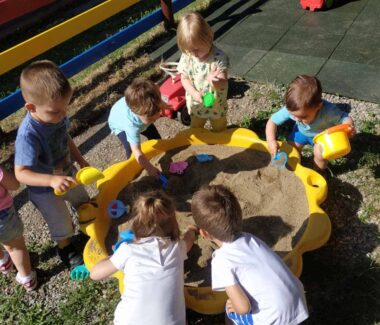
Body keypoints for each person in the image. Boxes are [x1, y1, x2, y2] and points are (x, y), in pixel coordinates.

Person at [191, 185, 309, 325]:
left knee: (230, 312)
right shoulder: (250, 239)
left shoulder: (221, 261)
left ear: (203, 233)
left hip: (275, 317)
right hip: (298, 299)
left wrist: (235, 307)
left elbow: (243, 307)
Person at [15, 60, 90, 269]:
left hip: (67, 172)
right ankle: (66, 248)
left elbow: (64, 137)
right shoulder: (28, 135)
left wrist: (80, 160)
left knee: (82, 201)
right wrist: (51, 180)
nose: (63, 115)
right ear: (31, 107)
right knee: (60, 221)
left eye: (65, 108)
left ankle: (88, 227)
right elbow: (20, 173)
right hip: (44, 189)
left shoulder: (56, 115)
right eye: (55, 112)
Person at [90, 190, 197, 325]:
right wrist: (192, 230)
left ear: (135, 226)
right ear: (174, 225)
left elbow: (95, 274)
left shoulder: (127, 250)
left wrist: (113, 257)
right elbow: (189, 241)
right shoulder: (177, 247)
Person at [266, 75, 355, 171]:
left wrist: (348, 128)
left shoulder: (328, 111)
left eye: (303, 117)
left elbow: (344, 118)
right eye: (293, 115)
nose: (297, 120)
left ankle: (318, 171)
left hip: (323, 136)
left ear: (318, 106)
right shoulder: (293, 109)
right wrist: (271, 141)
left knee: (320, 155)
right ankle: (295, 165)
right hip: (302, 132)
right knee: (292, 147)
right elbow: (272, 121)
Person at [177, 11, 229, 132]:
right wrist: (194, 92)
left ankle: (221, 142)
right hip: (197, 105)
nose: (194, 53)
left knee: (220, 129)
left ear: (208, 37)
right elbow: (184, 78)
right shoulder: (187, 56)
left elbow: (223, 82)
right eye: (189, 50)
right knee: (196, 128)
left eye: (197, 49)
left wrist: (215, 81)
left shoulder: (218, 57)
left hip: (216, 106)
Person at [108, 78, 165, 177]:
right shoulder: (131, 127)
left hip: (134, 115)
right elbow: (137, 151)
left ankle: (162, 151)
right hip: (119, 124)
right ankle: (133, 168)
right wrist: (149, 168)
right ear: (137, 114)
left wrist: (165, 106)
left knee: (154, 135)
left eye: (158, 113)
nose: (156, 118)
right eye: (151, 119)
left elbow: (157, 97)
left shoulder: (149, 102)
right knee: (131, 150)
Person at [0, 165, 37, 291]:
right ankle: (27, 278)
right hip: (3, 217)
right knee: (16, 248)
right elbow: (14, 185)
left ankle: (3, 262)